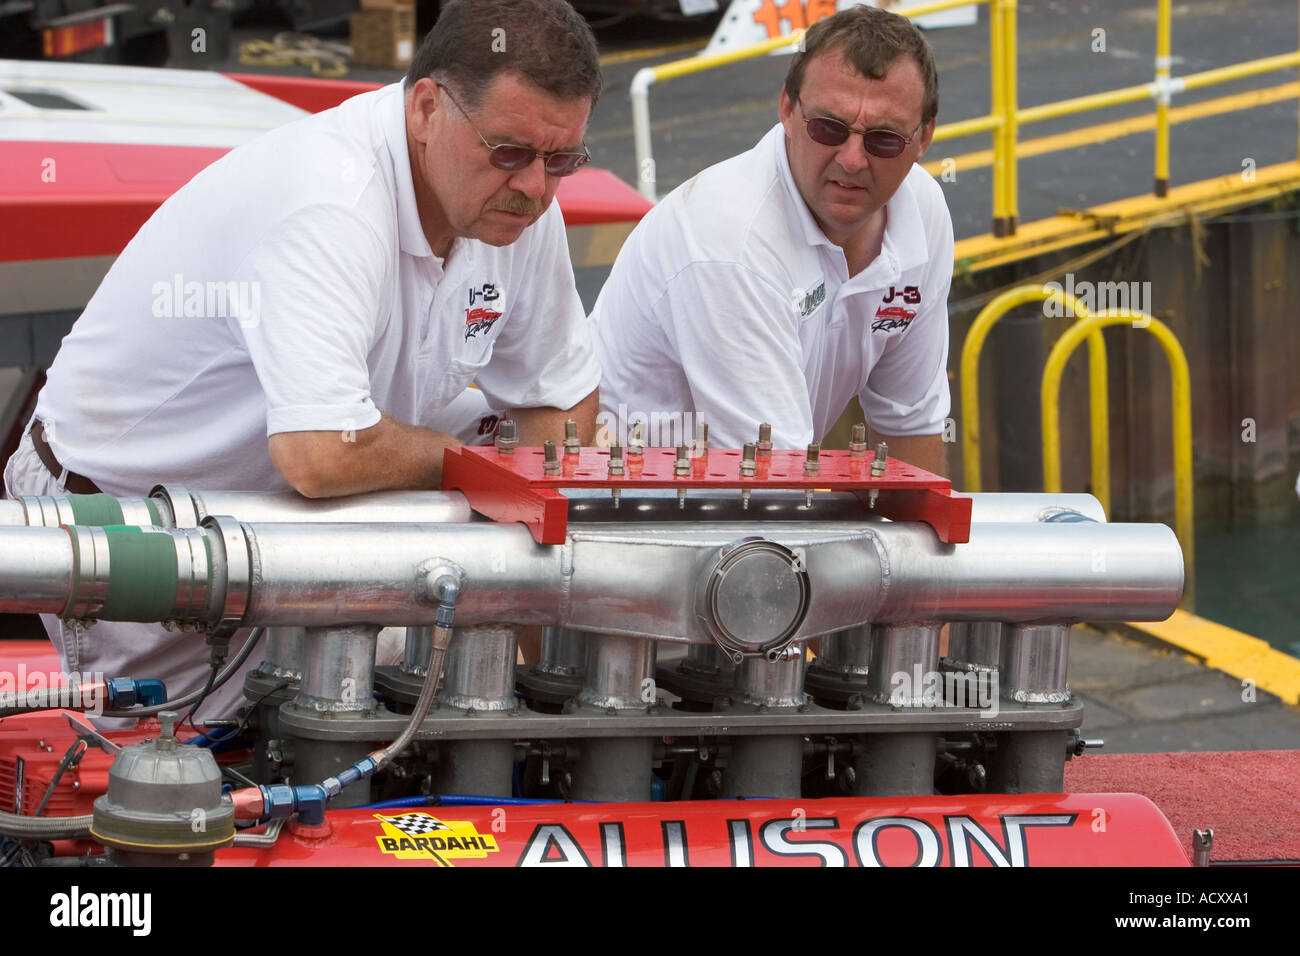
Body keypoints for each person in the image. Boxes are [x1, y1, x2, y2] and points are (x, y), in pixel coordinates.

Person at [2, 0, 604, 722]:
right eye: (509, 152)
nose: (537, 187)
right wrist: (480, 471)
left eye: (563, 159)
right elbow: (322, 454)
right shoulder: (329, 201)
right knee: (182, 783)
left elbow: (566, 408)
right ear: (425, 108)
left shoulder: (516, 200)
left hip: (288, 518)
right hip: (127, 517)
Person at [590, 5, 952, 476]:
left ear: (924, 137)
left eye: (883, 138)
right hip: (618, 508)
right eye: (828, 128)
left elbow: (910, 429)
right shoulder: (731, 242)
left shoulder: (922, 211)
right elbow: (776, 486)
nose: (852, 159)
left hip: (735, 500)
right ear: (786, 109)